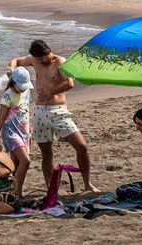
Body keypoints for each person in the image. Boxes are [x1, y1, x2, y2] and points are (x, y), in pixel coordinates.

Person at [10, 39, 98, 193]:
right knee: (47, 153)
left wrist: (51, 92)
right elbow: (16, 61)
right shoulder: (34, 60)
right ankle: (51, 189)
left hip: (59, 111)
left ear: (48, 51)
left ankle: (87, 183)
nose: (41, 61)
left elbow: (70, 83)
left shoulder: (60, 62)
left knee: (81, 146)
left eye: (43, 57)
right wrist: (11, 71)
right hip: (39, 112)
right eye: (37, 59)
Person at [0, 66, 33, 200]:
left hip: (24, 132)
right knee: (26, 161)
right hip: (11, 133)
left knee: (14, 165)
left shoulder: (26, 92)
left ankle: (8, 191)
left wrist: (30, 130)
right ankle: (17, 193)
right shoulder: (7, 95)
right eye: (21, 86)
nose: (24, 88)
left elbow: (26, 111)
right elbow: (1, 117)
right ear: (14, 83)